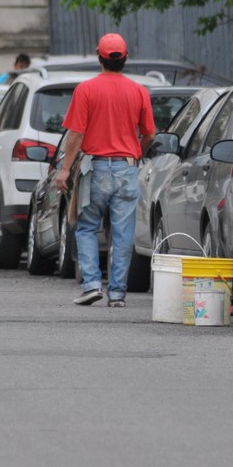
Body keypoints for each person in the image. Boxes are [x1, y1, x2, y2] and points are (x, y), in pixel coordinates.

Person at [56, 34, 156, 307]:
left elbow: (76, 134)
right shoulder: (139, 91)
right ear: (126, 59)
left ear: (98, 57)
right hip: (126, 169)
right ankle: (117, 294)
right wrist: (135, 153)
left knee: (87, 227)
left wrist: (65, 169)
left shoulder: (86, 90)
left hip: (95, 168)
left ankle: (91, 284)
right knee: (123, 234)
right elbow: (150, 134)